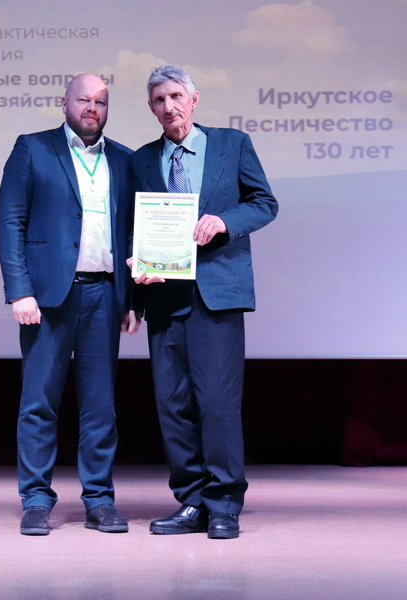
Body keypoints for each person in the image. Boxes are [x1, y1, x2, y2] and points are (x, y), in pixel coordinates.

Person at [129, 65, 278, 539]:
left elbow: (264, 203)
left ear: (194, 99)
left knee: (216, 403)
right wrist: (135, 283)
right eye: (159, 100)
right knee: (173, 406)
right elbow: (133, 227)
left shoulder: (232, 144)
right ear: (151, 108)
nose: (168, 106)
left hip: (215, 294)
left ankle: (224, 504)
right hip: (163, 294)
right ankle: (192, 501)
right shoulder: (141, 159)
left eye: (176, 96)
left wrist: (225, 222)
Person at [0, 74, 139, 536]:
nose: (92, 108)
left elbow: (131, 233)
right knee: (39, 403)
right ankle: (36, 500)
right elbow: (10, 222)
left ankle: (99, 500)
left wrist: (130, 299)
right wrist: (20, 290)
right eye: (84, 100)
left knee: (100, 406)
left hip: (105, 295)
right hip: (47, 298)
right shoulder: (33, 149)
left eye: (101, 102)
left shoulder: (124, 159)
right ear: (65, 103)